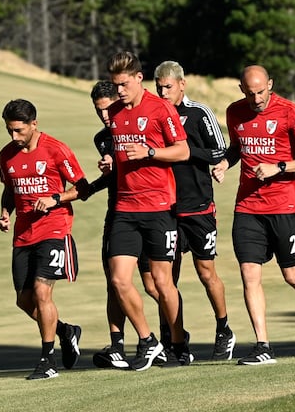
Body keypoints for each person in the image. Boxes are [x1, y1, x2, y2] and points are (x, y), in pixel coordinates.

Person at [211, 65, 295, 365]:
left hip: (284, 207)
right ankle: (263, 345)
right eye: (250, 93)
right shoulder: (234, 112)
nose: (256, 99)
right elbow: (237, 148)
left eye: (261, 92)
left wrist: (279, 167)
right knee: (249, 274)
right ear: (242, 90)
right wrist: (224, 164)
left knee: (292, 274)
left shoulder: (290, 112)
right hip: (247, 207)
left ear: (271, 84)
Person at [100, 51, 192, 370]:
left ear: (139, 78)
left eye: (123, 84)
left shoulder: (160, 108)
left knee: (162, 283)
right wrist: (113, 161)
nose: (119, 91)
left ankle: (178, 343)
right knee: (119, 280)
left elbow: (182, 151)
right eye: (115, 86)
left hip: (159, 208)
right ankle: (148, 340)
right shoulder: (113, 113)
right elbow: (121, 151)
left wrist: (150, 151)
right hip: (125, 209)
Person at [0, 99, 91, 380]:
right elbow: (10, 190)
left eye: (18, 130)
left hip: (54, 229)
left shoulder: (56, 149)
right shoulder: (6, 155)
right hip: (23, 235)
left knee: (41, 292)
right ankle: (66, 331)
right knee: (24, 301)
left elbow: (83, 188)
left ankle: (47, 360)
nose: (14, 137)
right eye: (9, 130)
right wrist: (5, 213)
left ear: (34, 124)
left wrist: (55, 199)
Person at [154, 61, 237, 360]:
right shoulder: (152, 113)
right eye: (159, 87)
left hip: (198, 206)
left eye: (168, 86)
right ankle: (174, 340)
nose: (163, 92)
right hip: (164, 209)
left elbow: (220, 151)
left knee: (206, 272)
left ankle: (223, 327)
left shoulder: (199, 113)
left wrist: (188, 151)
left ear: (181, 84)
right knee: (165, 280)